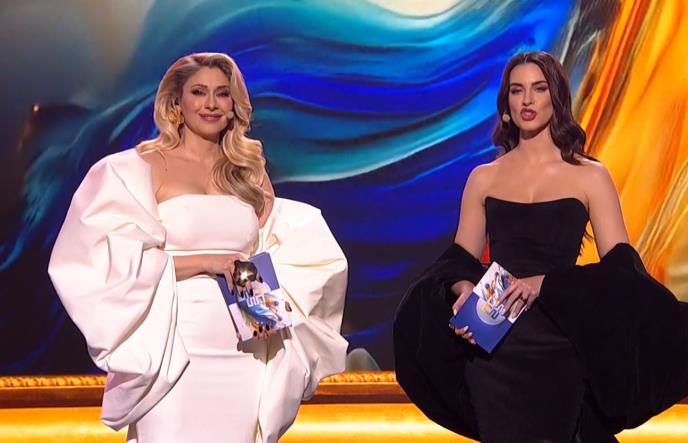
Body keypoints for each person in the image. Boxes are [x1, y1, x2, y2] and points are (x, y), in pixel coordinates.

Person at [48, 52, 349, 443]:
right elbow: (110, 264)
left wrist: (266, 318)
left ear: (234, 105)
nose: (211, 104)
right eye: (199, 92)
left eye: (222, 94)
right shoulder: (140, 167)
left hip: (245, 348)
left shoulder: (248, 169)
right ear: (176, 101)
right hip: (175, 345)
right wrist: (209, 261)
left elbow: (265, 254)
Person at [393, 51, 688, 442]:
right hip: (496, 344)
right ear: (507, 104)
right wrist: (465, 292)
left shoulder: (590, 176)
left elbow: (622, 272)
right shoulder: (483, 178)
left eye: (539, 88)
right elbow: (457, 261)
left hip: (559, 338)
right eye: (517, 91)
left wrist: (544, 284)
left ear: (556, 98)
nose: (527, 100)